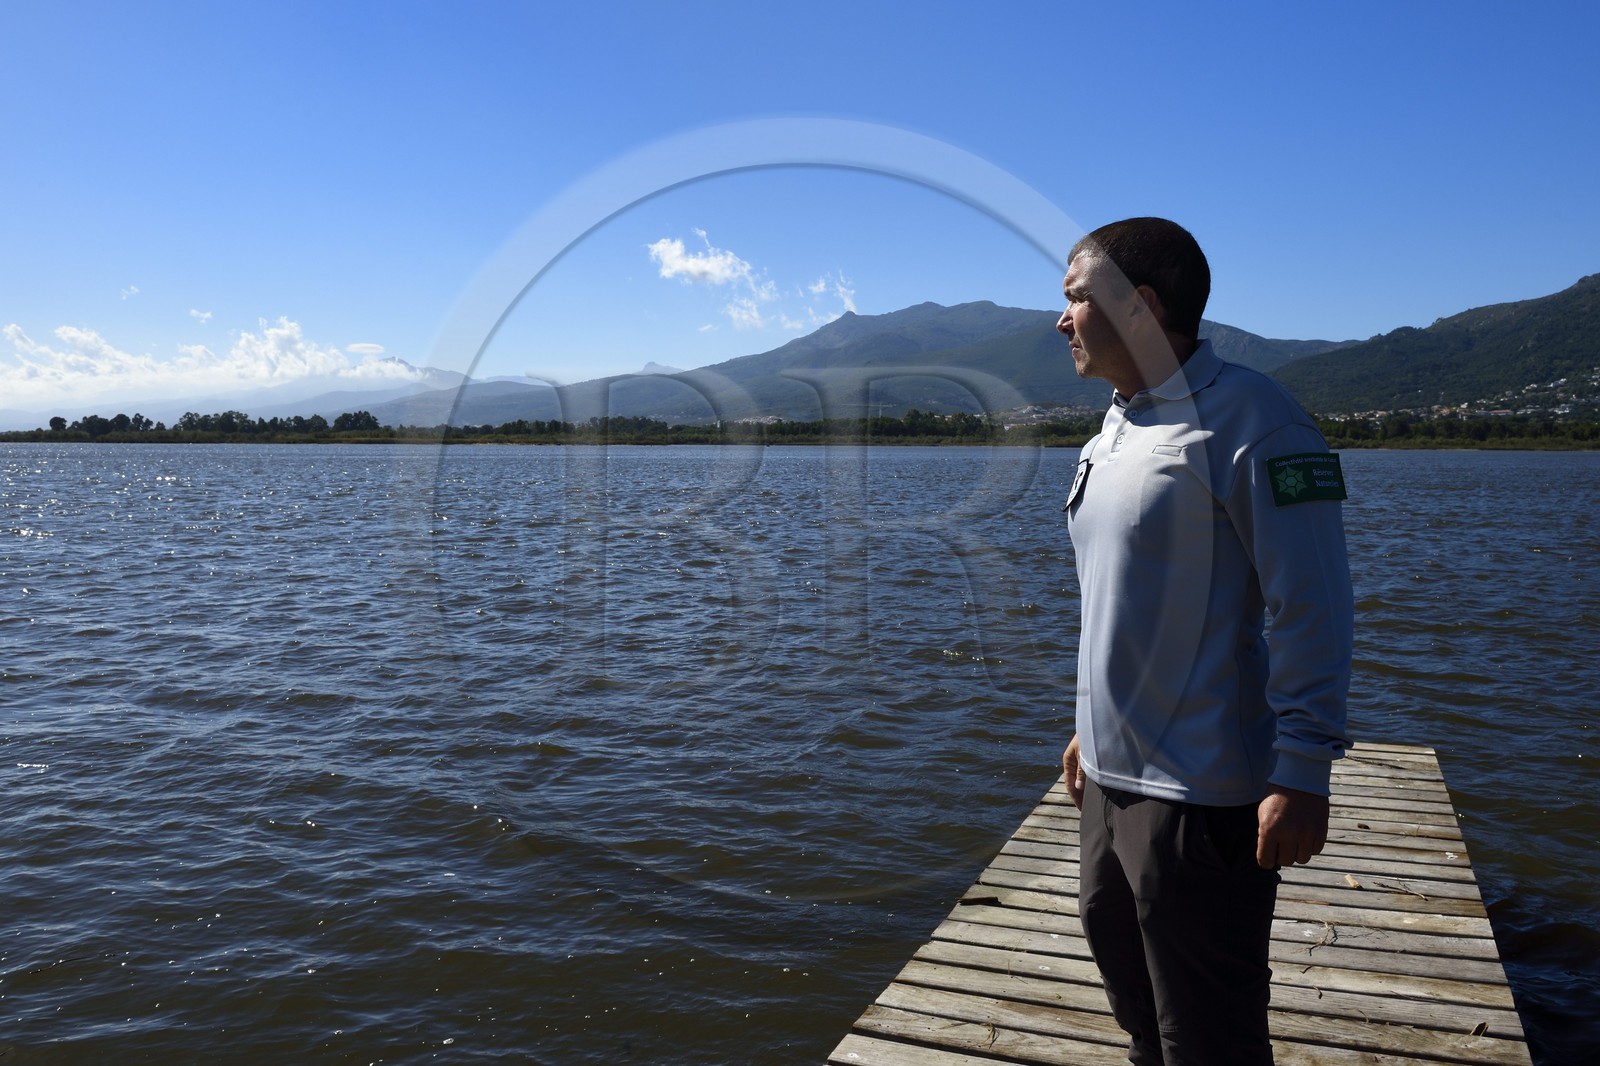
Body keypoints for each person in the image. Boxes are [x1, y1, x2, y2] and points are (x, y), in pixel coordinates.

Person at [1055, 217, 1353, 1065]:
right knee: (1139, 1011)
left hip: (1199, 794)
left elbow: (1314, 605)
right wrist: (1090, 723)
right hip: (1109, 784)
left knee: (1208, 1034)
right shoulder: (1114, 428)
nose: (1061, 318)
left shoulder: (1256, 420)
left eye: (1075, 298)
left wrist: (1301, 769)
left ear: (1141, 305)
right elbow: (1125, 602)